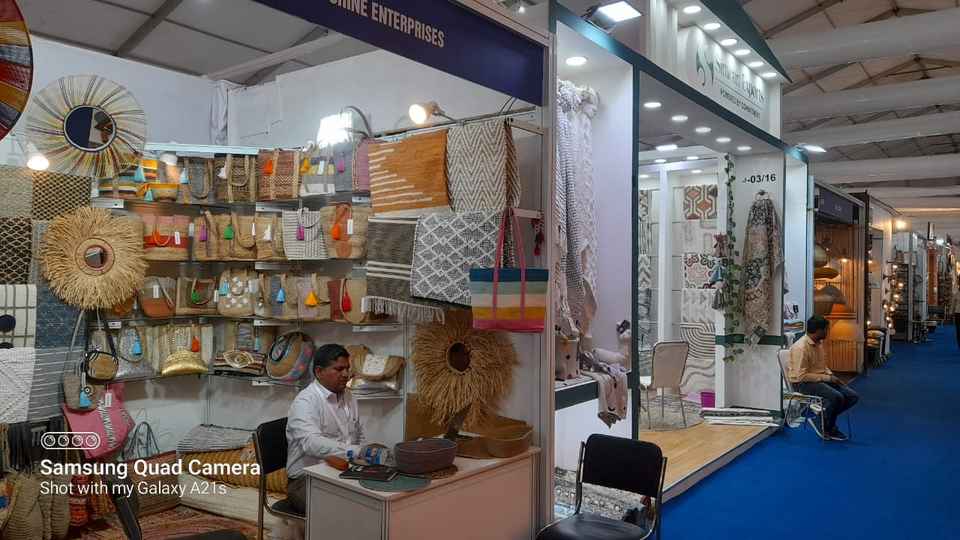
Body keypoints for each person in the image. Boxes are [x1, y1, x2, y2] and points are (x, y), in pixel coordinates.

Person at [285, 344, 365, 514]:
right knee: (342, 509)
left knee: (373, 499)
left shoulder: (349, 396)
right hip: (305, 479)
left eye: (347, 368)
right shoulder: (305, 402)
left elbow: (359, 435)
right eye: (339, 369)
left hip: (343, 472)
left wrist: (366, 457)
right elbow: (311, 444)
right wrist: (357, 451)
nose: (346, 374)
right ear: (319, 371)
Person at [788, 315, 859, 441]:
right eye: (826, 329)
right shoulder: (801, 348)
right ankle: (827, 426)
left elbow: (822, 366)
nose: (827, 332)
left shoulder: (818, 343)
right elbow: (801, 376)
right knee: (836, 397)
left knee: (852, 396)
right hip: (802, 383)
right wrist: (827, 379)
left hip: (818, 379)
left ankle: (821, 419)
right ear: (818, 330)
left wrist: (831, 376)